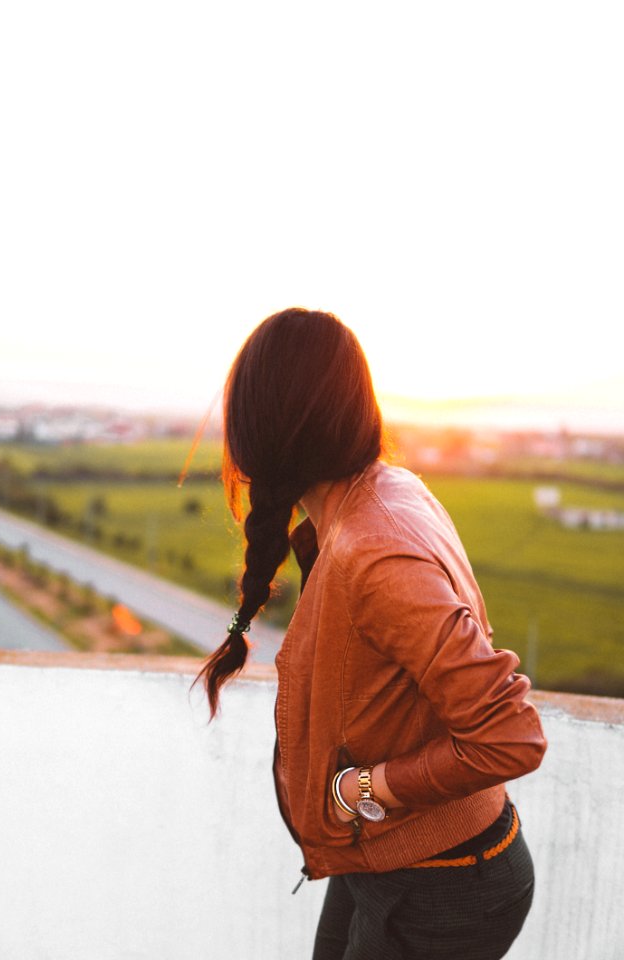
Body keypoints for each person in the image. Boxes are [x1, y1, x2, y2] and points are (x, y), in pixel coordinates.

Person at [193, 307, 548, 960]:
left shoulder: (373, 550)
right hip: (388, 858)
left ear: (258, 429)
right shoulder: (379, 495)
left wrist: (357, 791)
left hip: (444, 883)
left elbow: (510, 735)